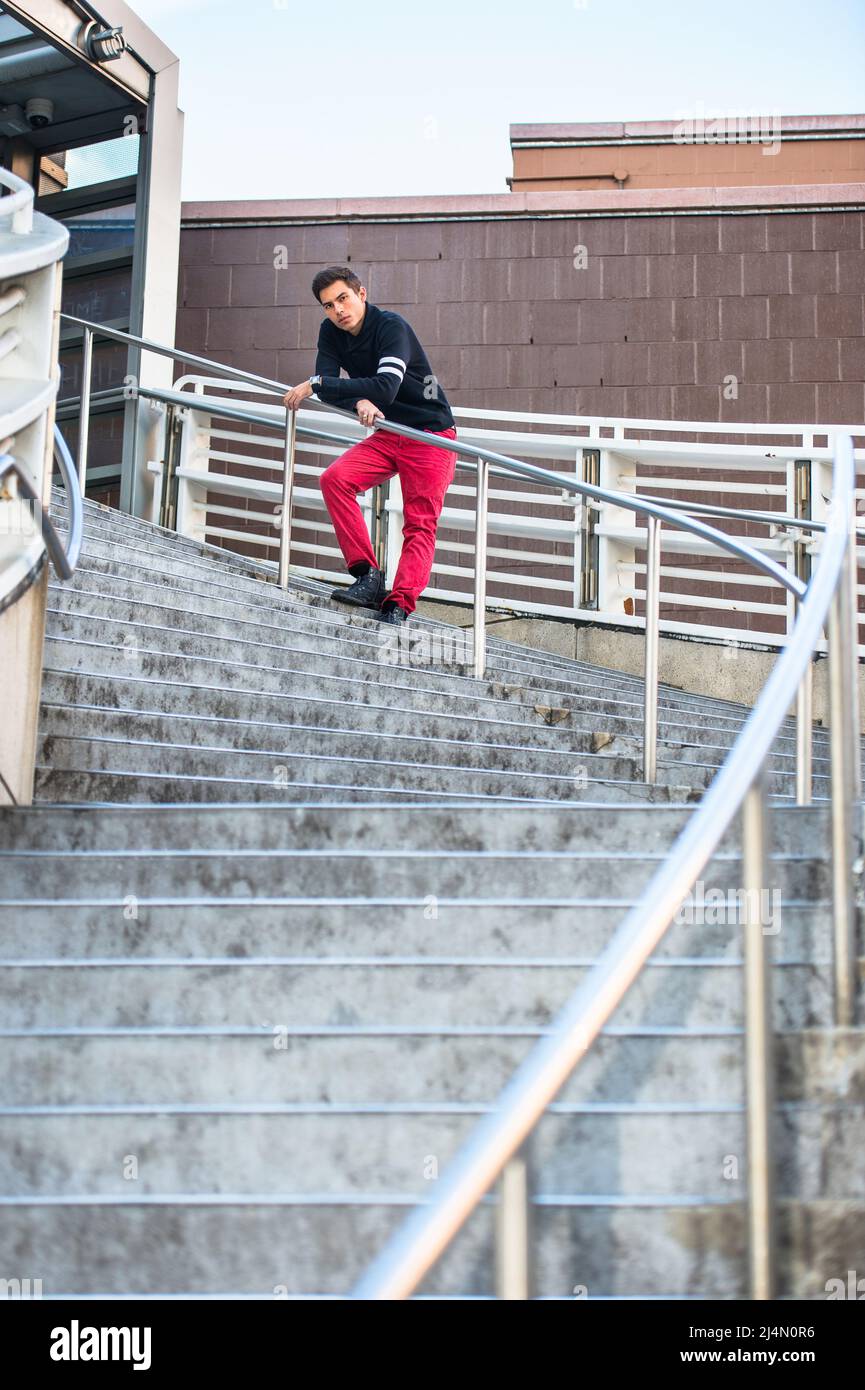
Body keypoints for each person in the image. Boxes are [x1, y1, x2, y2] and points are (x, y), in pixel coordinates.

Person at [282, 266, 458, 625]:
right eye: (328, 305)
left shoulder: (391, 327)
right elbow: (331, 388)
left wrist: (319, 384)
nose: (338, 310)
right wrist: (355, 398)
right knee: (336, 479)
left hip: (430, 435)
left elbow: (385, 388)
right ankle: (367, 575)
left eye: (343, 299)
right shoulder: (330, 332)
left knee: (419, 523)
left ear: (361, 294)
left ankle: (400, 603)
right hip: (390, 431)